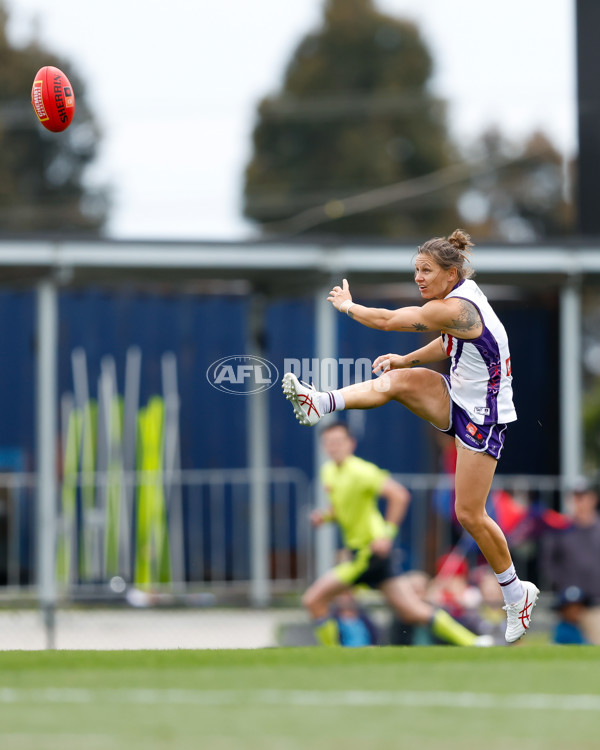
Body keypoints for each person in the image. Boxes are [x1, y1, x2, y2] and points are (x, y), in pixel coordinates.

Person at [283, 229, 539, 643]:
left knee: (470, 514)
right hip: (457, 394)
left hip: (484, 416)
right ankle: (321, 402)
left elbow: (387, 320)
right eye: (415, 270)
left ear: (451, 273)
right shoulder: (457, 304)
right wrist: (407, 358)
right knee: (401, 379)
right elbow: (447, 343)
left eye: (426, 271)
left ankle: (516, 592)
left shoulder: (456, 307)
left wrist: (348, 306)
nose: (418, 278)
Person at [303, 421, 493, 647]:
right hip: (363, 554)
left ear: (351, 444)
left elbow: (399, 495)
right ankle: (473, 642)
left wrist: (386, 535)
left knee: (313, 600)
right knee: (413, 611)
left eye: (338, 442)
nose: (333, 447)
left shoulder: (361, 471)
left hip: (369, 554)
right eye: (329, 443)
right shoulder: (329, 472)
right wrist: (324, 517)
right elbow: (342, 508)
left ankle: (332, 656)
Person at [540, 476, 600, 644]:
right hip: (568, 607)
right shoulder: (560, 530)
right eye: (575, 497)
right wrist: (563, 587)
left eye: (583, 496)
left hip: (596, 605)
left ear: (592, 499)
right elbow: (548, 563)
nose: (579, 501)